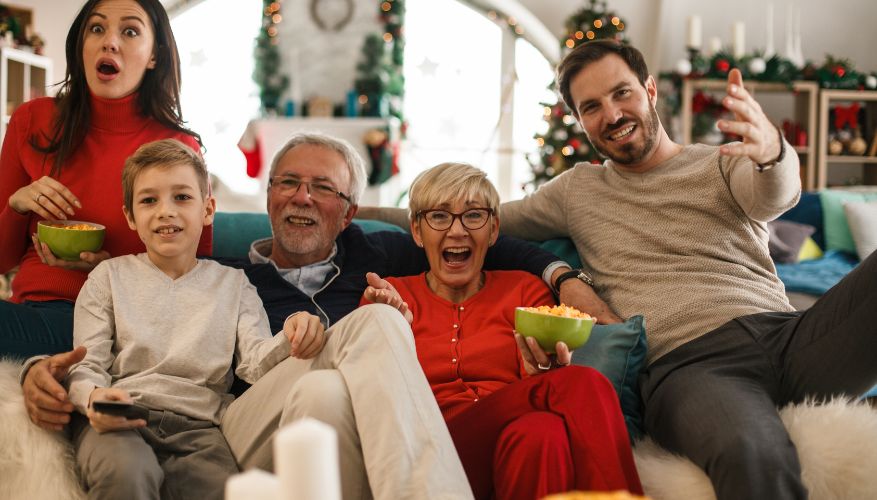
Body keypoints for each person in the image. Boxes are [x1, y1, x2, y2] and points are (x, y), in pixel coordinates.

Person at [23, 132, 578, 499]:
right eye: (288, 182)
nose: (302, 198)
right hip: (235, 423)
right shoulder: (230, 272)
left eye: (322, 188)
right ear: (267, 197)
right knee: (353, 353)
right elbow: (83, 349)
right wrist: (37, 373)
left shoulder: (378, 252)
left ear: (350, 213)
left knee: (335, 380)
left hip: (271, 417)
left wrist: (561, 274)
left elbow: (481, 239)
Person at [489, 40, 877, 500]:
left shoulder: (720, 163)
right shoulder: (578, 191)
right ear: (579, 121)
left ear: (650, 90)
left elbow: (774, 195)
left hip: (790, 337)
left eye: (622, 93)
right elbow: (478, 220)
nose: (612, 115)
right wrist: (560, 273)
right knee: (749, 450)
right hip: (690, 367)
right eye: (591, 107)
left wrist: (772, 150)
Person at [361, 162, 643, 499]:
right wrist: (387, 326)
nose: (457, 231)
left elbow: (536, 387)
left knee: (541, 433)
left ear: (493, 230)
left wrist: (540, 373)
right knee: (585, 383)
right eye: (439, 216)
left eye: (473, 216)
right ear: (418, 231)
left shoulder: (525, 290)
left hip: (503, 441)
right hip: (429, 453)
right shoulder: (388, 297)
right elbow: (373, 401)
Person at [67, 139, 299, 499]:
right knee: (127, 475)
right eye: (148, 200)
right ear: (130, 216)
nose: (165, 211)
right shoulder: (107, 277)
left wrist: (293, 335)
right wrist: (93, 398)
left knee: (223, 492)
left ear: (208, 209)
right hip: (120, 419)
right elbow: (85, 364)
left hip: (200, 431)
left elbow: (254, 365)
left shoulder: (234, 285)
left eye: (182, 197)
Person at [0, 0, 209, 359]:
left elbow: (193, 278)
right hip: (29, 310)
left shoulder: (178, 149)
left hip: (115, 323)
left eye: (129, 31)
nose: (109, 41)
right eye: (96, 28)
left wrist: (107, 268)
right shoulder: (33, 120)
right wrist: (18, 206)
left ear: (154, 56)